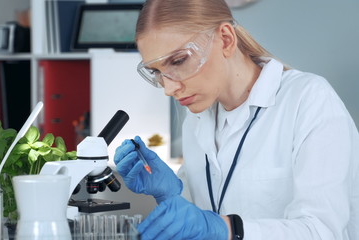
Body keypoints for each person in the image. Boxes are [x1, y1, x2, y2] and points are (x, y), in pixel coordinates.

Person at [114, 0, 359, 239]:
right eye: (157, 72)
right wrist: (171, 195)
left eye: (179, 61)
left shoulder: (308, 99)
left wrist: (229, 229)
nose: (169, 88)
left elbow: (323, 231)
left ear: (226, 39)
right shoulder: (197, 118)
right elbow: (198, 223)